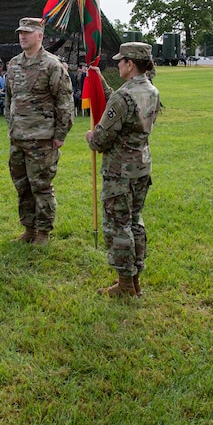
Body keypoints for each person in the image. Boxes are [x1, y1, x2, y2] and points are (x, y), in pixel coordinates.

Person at [85, 42, 160, 297]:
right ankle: (135, 278)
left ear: (130, 64)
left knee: (119, 226)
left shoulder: (123, 97)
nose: (117, 64)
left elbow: (100, 140)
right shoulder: (151, 90)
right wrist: (99, 80)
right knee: (135, 222)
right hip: (141, 167)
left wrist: (90, 136)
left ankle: (125, 284)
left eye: (120, 61)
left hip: (119, 172)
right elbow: (122, 110)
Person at [5, 17, 75, 245]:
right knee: (22, 186)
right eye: (20, 33)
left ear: (40, 36)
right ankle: (29, 229)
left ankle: (44, 232)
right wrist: (11, 124)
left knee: (41, 186)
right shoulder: (14, 64)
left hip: (43, 139)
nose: (22, 36)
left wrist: (60, 135)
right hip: (18, 137)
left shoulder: (52, 65)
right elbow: (9, 98)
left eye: (27, 32)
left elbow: (64, 102)